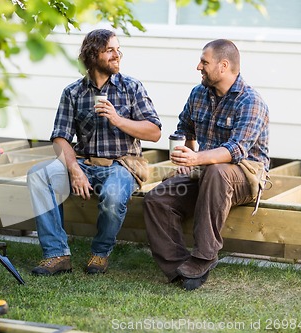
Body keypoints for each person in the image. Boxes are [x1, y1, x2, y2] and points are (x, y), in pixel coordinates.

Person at [27, 29, 162, 275]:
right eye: (110, 50)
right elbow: (61, 138)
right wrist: (75, 169)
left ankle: (100, 253)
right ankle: (57, 254)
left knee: (112, 194)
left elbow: (154, 131)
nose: (117, 55)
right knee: (39, 174)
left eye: (118, 49)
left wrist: (118, 119)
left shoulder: (131, 87)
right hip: (84, 163)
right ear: (92, 55)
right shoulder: (73, 92)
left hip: (122, 164)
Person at [143, 39, 269, 291]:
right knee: (157, 200)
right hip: (206, 174)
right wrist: (184, 153)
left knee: (217, 170)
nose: (198, 66)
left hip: (246, 176)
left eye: (204, 61)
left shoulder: (250, 101)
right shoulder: (198, 94)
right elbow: (184, 129)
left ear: (223, 66)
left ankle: (204, 256)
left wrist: (196, 158)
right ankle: (179, 265)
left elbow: (236, 150)